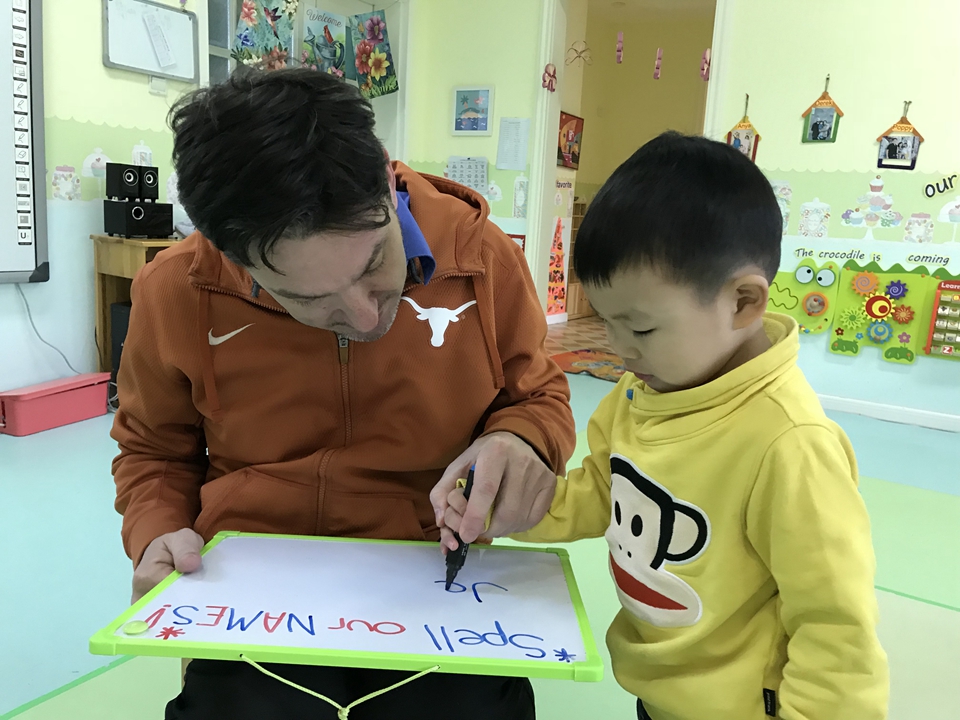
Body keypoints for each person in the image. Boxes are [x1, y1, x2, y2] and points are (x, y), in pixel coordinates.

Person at [111, 67, 576, 720]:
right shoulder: (177, 290)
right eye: (306, 299)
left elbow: (539, 397)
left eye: (374, 262)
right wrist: (157, 532)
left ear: (386, 179)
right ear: (233, 259)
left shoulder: (481, 256)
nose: (363, 317)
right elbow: (154, 450)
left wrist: (520, 440)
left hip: (436, 575)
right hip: (252, 581)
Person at [441, 132, 889, 719]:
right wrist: (514, 508)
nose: (621, 350)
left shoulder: (790, 445)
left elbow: (836, 627)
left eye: (642, 329)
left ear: (743, 302)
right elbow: (604, 490)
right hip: (657, 693)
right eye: (608, 324)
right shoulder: (642, 390)